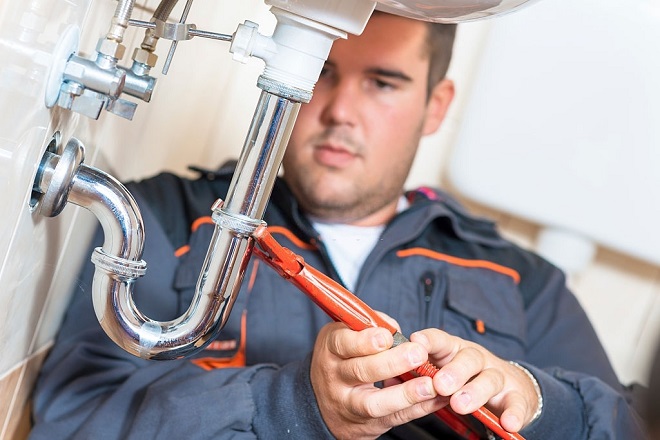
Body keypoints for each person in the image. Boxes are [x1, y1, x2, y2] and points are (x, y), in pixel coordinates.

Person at [30, 12, 645, 440]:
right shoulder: (161, 218)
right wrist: (295, 406)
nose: (341, 110)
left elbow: (631, 427)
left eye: (382, 83)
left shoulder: (521, 281)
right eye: (322, 71)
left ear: (435, 106)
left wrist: (538, 402)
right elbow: (72, 420)